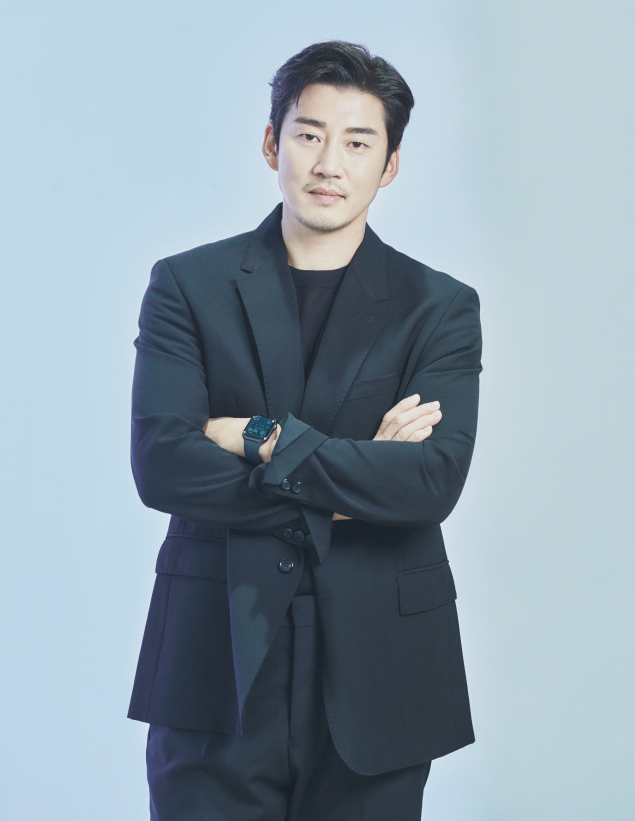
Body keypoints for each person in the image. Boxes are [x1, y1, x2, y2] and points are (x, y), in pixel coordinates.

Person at [128, 40, 482, 821]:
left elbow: (429, 483)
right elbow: (163, 463)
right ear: (271, 142)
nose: (329, 163)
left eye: (357, 142)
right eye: (309, 134)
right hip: (214, 654)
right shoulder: (188, 285)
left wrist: (257, 436)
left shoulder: (439, 307)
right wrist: (361, 479)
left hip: (382, 665)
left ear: (389, 165)